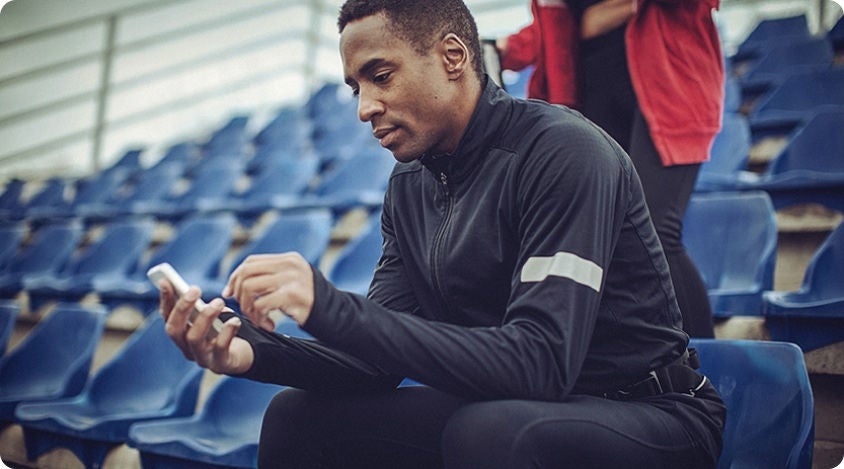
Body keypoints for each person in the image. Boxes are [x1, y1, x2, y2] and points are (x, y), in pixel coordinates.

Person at [159, 0, 726, 467]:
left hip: (656, 413)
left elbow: (541, 362)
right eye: (356, 86)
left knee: (489, 432)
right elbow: (372, 366)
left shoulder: (564, 151)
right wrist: (246, 351)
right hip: (523, 405)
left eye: (380, 77)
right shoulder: (409, 186)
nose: (365, 107)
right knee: (297, 416)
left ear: (453, 56)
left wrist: (329, 306)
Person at [497, 0, 724, 338]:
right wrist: (504, 49)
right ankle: (645, 356)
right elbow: (559, 25)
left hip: (668, 89)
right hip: (588, 95)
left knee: (658, 235)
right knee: (610, 240)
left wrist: (606, 15)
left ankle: (705, 362)